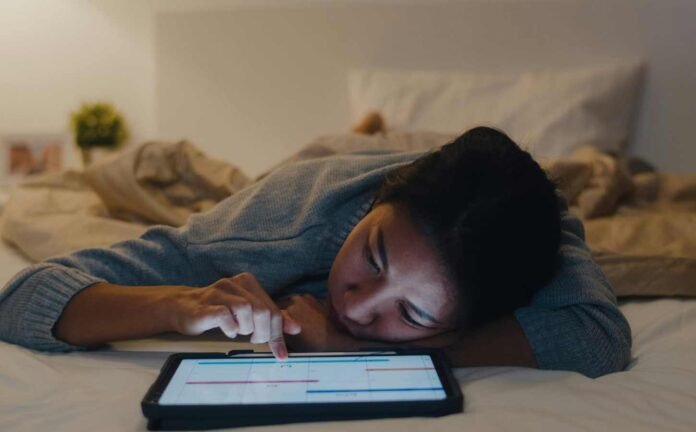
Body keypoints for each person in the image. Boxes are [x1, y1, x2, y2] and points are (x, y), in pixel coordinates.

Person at [0, 127, 631, 378]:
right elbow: (21, 297)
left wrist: (364, 349)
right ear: (379, 201)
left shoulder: (537, 238)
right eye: (373, 257)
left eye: (411, 313)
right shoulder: (274, 228)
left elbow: (599, 335)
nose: (358, 304)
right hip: (333, 168)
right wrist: (179, 303)